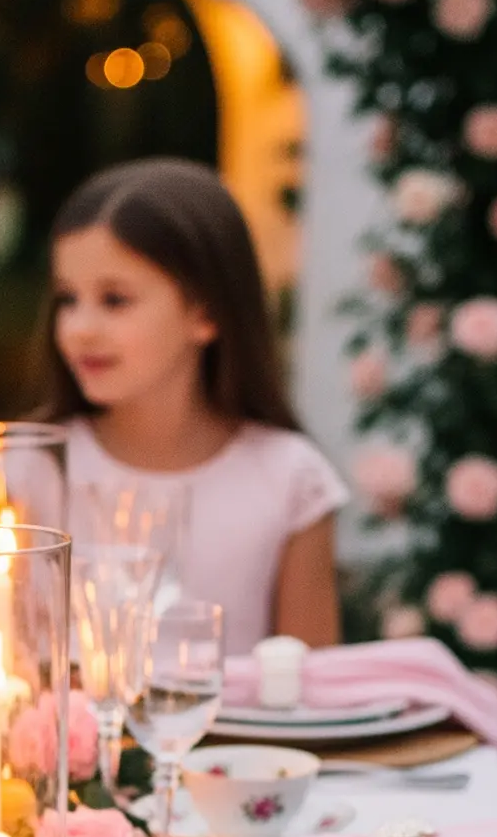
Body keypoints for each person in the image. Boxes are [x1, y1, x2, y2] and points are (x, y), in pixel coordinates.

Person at [42, 158, 344, 650]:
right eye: (68, 300)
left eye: (115, 300)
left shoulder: (291, 480)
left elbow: (310, 686)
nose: (80, 328)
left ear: (204, 313)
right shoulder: (29, 469)